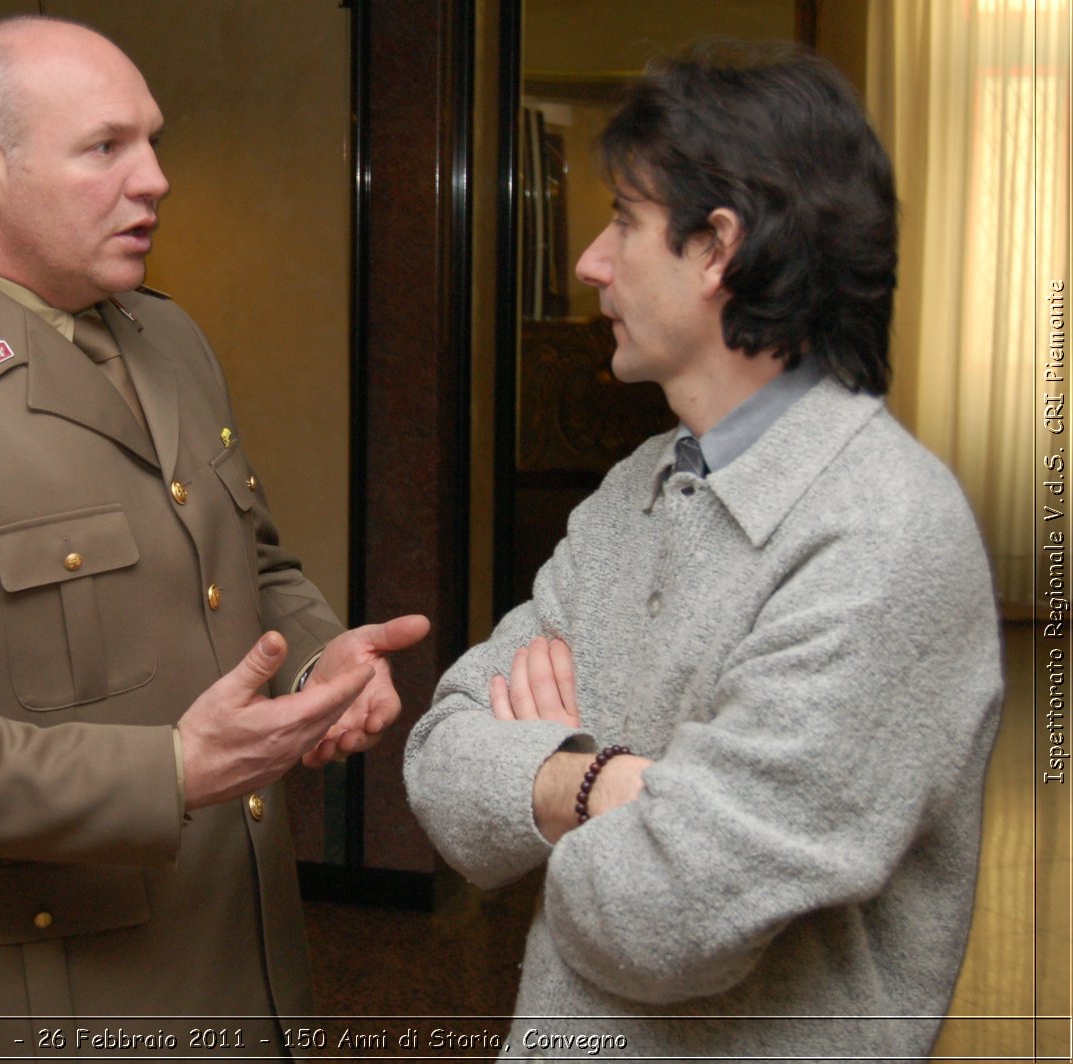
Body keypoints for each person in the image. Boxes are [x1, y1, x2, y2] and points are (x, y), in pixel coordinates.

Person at [0, 15, 427, 1056]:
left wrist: (317, 662)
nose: (155, 177)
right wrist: (164, 770)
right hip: (50, 1002)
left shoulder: (169, 337)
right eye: (107, 146)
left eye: (153, 141)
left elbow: (250, 559)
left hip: (241, 962)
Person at [404, 41, 1002, 1060]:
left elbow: (660, 919)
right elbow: (439, 761)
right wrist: (602, 785)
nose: (590, 259)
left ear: (717, 246)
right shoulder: (636, 483)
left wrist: (551, 778)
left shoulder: (883, 530)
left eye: (623, 222)